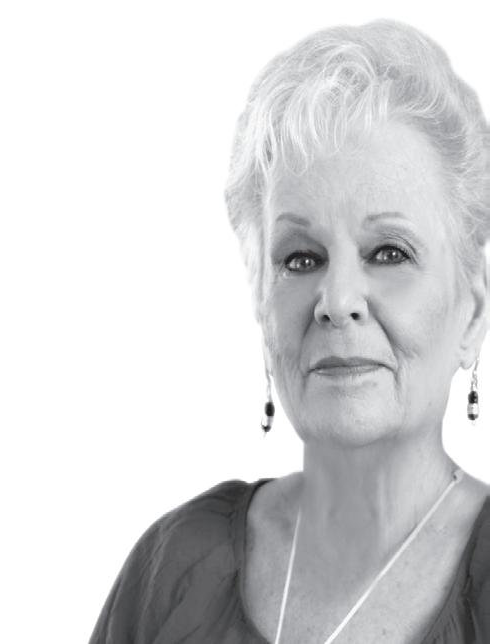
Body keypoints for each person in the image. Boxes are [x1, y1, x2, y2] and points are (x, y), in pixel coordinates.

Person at [89, 19, 490, 644]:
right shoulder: (173, 571)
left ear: (473, 311)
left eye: (389, 252)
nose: (337, 301)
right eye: (301, 259)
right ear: (262, 303)